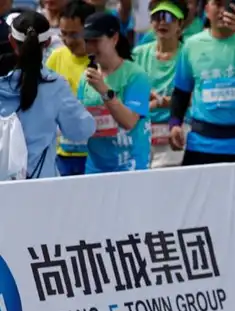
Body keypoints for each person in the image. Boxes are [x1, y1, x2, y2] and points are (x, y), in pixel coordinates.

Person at [167, 0, 235, 165]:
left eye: (228, 4)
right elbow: (181, 91)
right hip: (202, 146)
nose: (222, 11)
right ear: (207, 9)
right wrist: (175, 123)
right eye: (217, 4)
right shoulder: (191, 45)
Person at [0, 10, 94, 178]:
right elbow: (81, 130)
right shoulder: (55, 85)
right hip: (41, 184)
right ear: (48, 42)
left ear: (12, 42)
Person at [80, 11, 151, 173]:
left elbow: (129, 122)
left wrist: (104, 90)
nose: (90, 48)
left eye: (96, 41)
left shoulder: (136, 75)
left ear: (114, 39)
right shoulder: (85, 78)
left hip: (130, 165)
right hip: (95, 168)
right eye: (87, 41)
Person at [132, 0, 185, 167]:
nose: (162, 22)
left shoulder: (188, 54)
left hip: (174, 132)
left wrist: (162, 101)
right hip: (141, 132)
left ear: (180, 24)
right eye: (156, 17)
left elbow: (195, 95)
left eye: (168, 17)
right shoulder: (137, 54)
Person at [45, 0, 95, 175]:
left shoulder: (103, 60)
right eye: (63, 34)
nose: (67, 41)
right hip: (62, 155)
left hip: (96, 156)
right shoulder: (55, 58)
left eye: (74, 35)